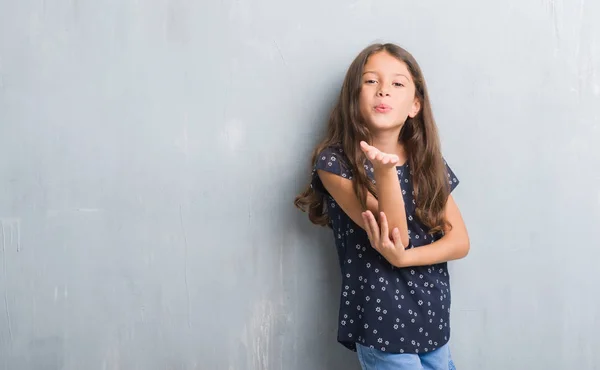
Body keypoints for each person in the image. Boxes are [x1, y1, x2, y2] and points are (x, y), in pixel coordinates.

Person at [294, 42, 470, 370]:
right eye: (371, 81)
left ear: (415, 105)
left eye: (397, 84)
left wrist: (406, 259)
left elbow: (459, 241)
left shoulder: (426, 161)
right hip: (382, 323)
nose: (383, 91)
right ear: (353, 98)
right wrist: (386, 172)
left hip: (432, 319)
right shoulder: (334, 163)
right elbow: (395, 235)